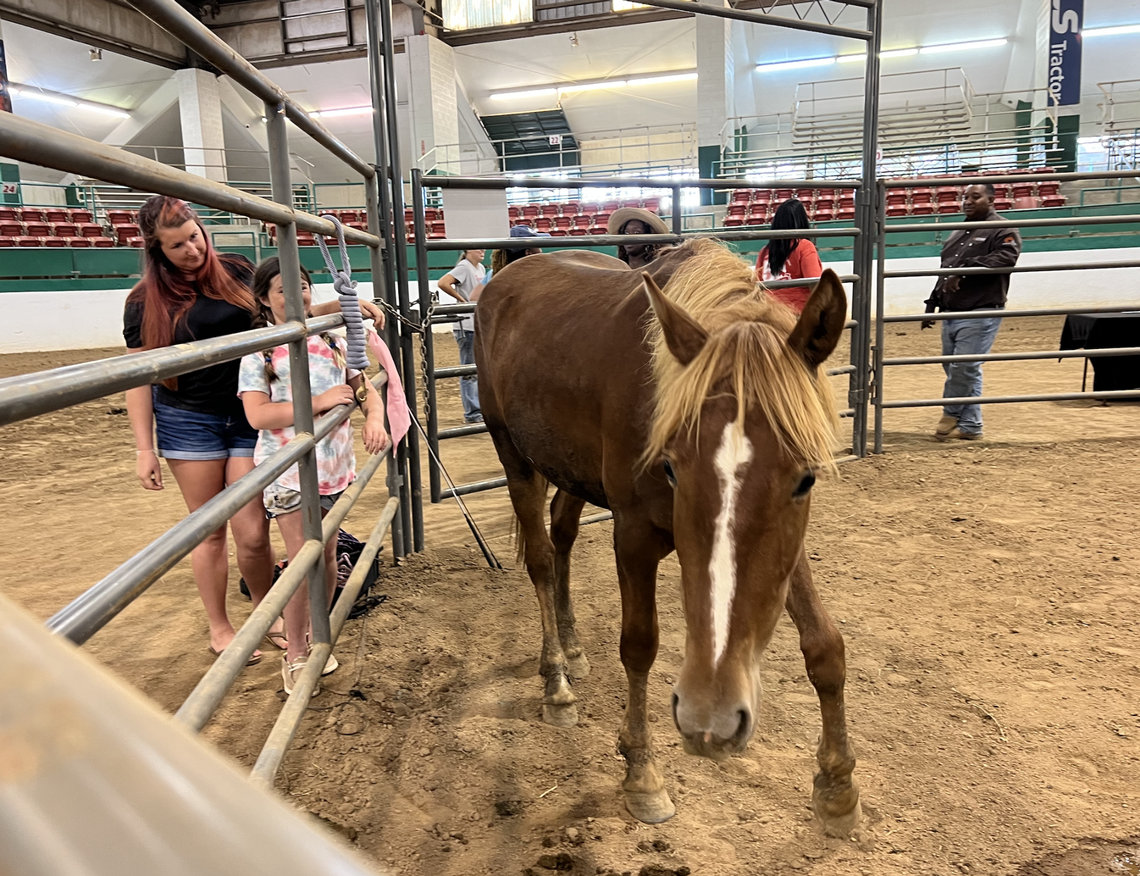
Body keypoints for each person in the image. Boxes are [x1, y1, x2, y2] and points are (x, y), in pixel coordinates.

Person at [122, 195, 385, 660]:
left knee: (252, 532)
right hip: (190, 422)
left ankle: (267, 610)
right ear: (156, 250)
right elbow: (139, 379)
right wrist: (145, 448)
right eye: (177, 245)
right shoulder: (144, 303)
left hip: (251, 415)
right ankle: (219, 626)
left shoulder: (237, 270)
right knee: (208, 529)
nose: (192, 249)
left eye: (195, 237)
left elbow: (279, 314)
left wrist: (343, 306)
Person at [238, 258, 390, 694]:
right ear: (265, 300)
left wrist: (373, 417)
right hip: (289, 472)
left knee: (323, 559)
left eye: (302, 286)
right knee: (304, 560)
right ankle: (296, 654)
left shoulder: (328, 338)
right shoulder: (261, 349)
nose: (298, 294)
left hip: (333, 470)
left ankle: (312, 637)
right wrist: (319, 402)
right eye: (284, 289)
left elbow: (362, 386)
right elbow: (257, 415)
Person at [922, 182, 1022, 442]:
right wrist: (933, 302)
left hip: (981, 309)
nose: (967, 201)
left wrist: (965, 269)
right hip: (952, 310)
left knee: (964, 366)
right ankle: (971, 425)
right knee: (960, 367)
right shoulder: (959, 231)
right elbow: (946, 268)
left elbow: (1006, 258)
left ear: (991, 199)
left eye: (974, 197)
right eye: (965, 197)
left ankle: (951, 413)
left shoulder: (1002, 228)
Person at [437, 249, 486, 424]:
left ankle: (476, 409)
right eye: (478, 248)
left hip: (473, 323)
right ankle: (472, 412)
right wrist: (464, 302)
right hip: (466, 324)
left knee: (474, 369)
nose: (483, 250)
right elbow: (443, 283)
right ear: (467, 251)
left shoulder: (479, 268)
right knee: (469, 370)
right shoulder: (464, 267)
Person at [754, 198, 824, 313]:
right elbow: (815, 284)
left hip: (768, 312)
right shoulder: (804, 246)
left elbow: (757, 285)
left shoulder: (765, 251)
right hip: (797, 312)